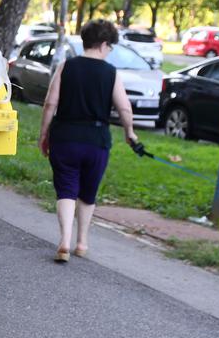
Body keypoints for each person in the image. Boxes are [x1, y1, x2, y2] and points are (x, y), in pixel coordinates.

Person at [38, 18, 144, 262]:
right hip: (96, 141)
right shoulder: (110, 73)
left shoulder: (67, 66)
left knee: (65, 189)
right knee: (88, 192)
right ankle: (82, 242)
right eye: (110, 47)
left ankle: (64, 240)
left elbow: (50, 103)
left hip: (64, 137)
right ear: (104, 44)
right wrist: (130, 132)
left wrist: (44, 134)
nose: (109, 52)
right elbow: (125, 108)